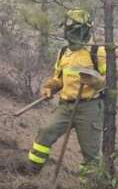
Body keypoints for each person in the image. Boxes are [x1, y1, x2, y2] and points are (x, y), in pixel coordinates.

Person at [26, 10, 107, 174]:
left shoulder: (97, 52)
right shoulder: (64, 52)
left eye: (75, 31)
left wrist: (95, 81)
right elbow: (59, 78)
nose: (71, 34)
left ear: (85, 30)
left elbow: (109, 81)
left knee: (90, 153)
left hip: (89, 108)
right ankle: (31, 171)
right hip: (66, 106)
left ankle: (89, 186)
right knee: (45, 133)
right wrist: (50, 87)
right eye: (69, 30)